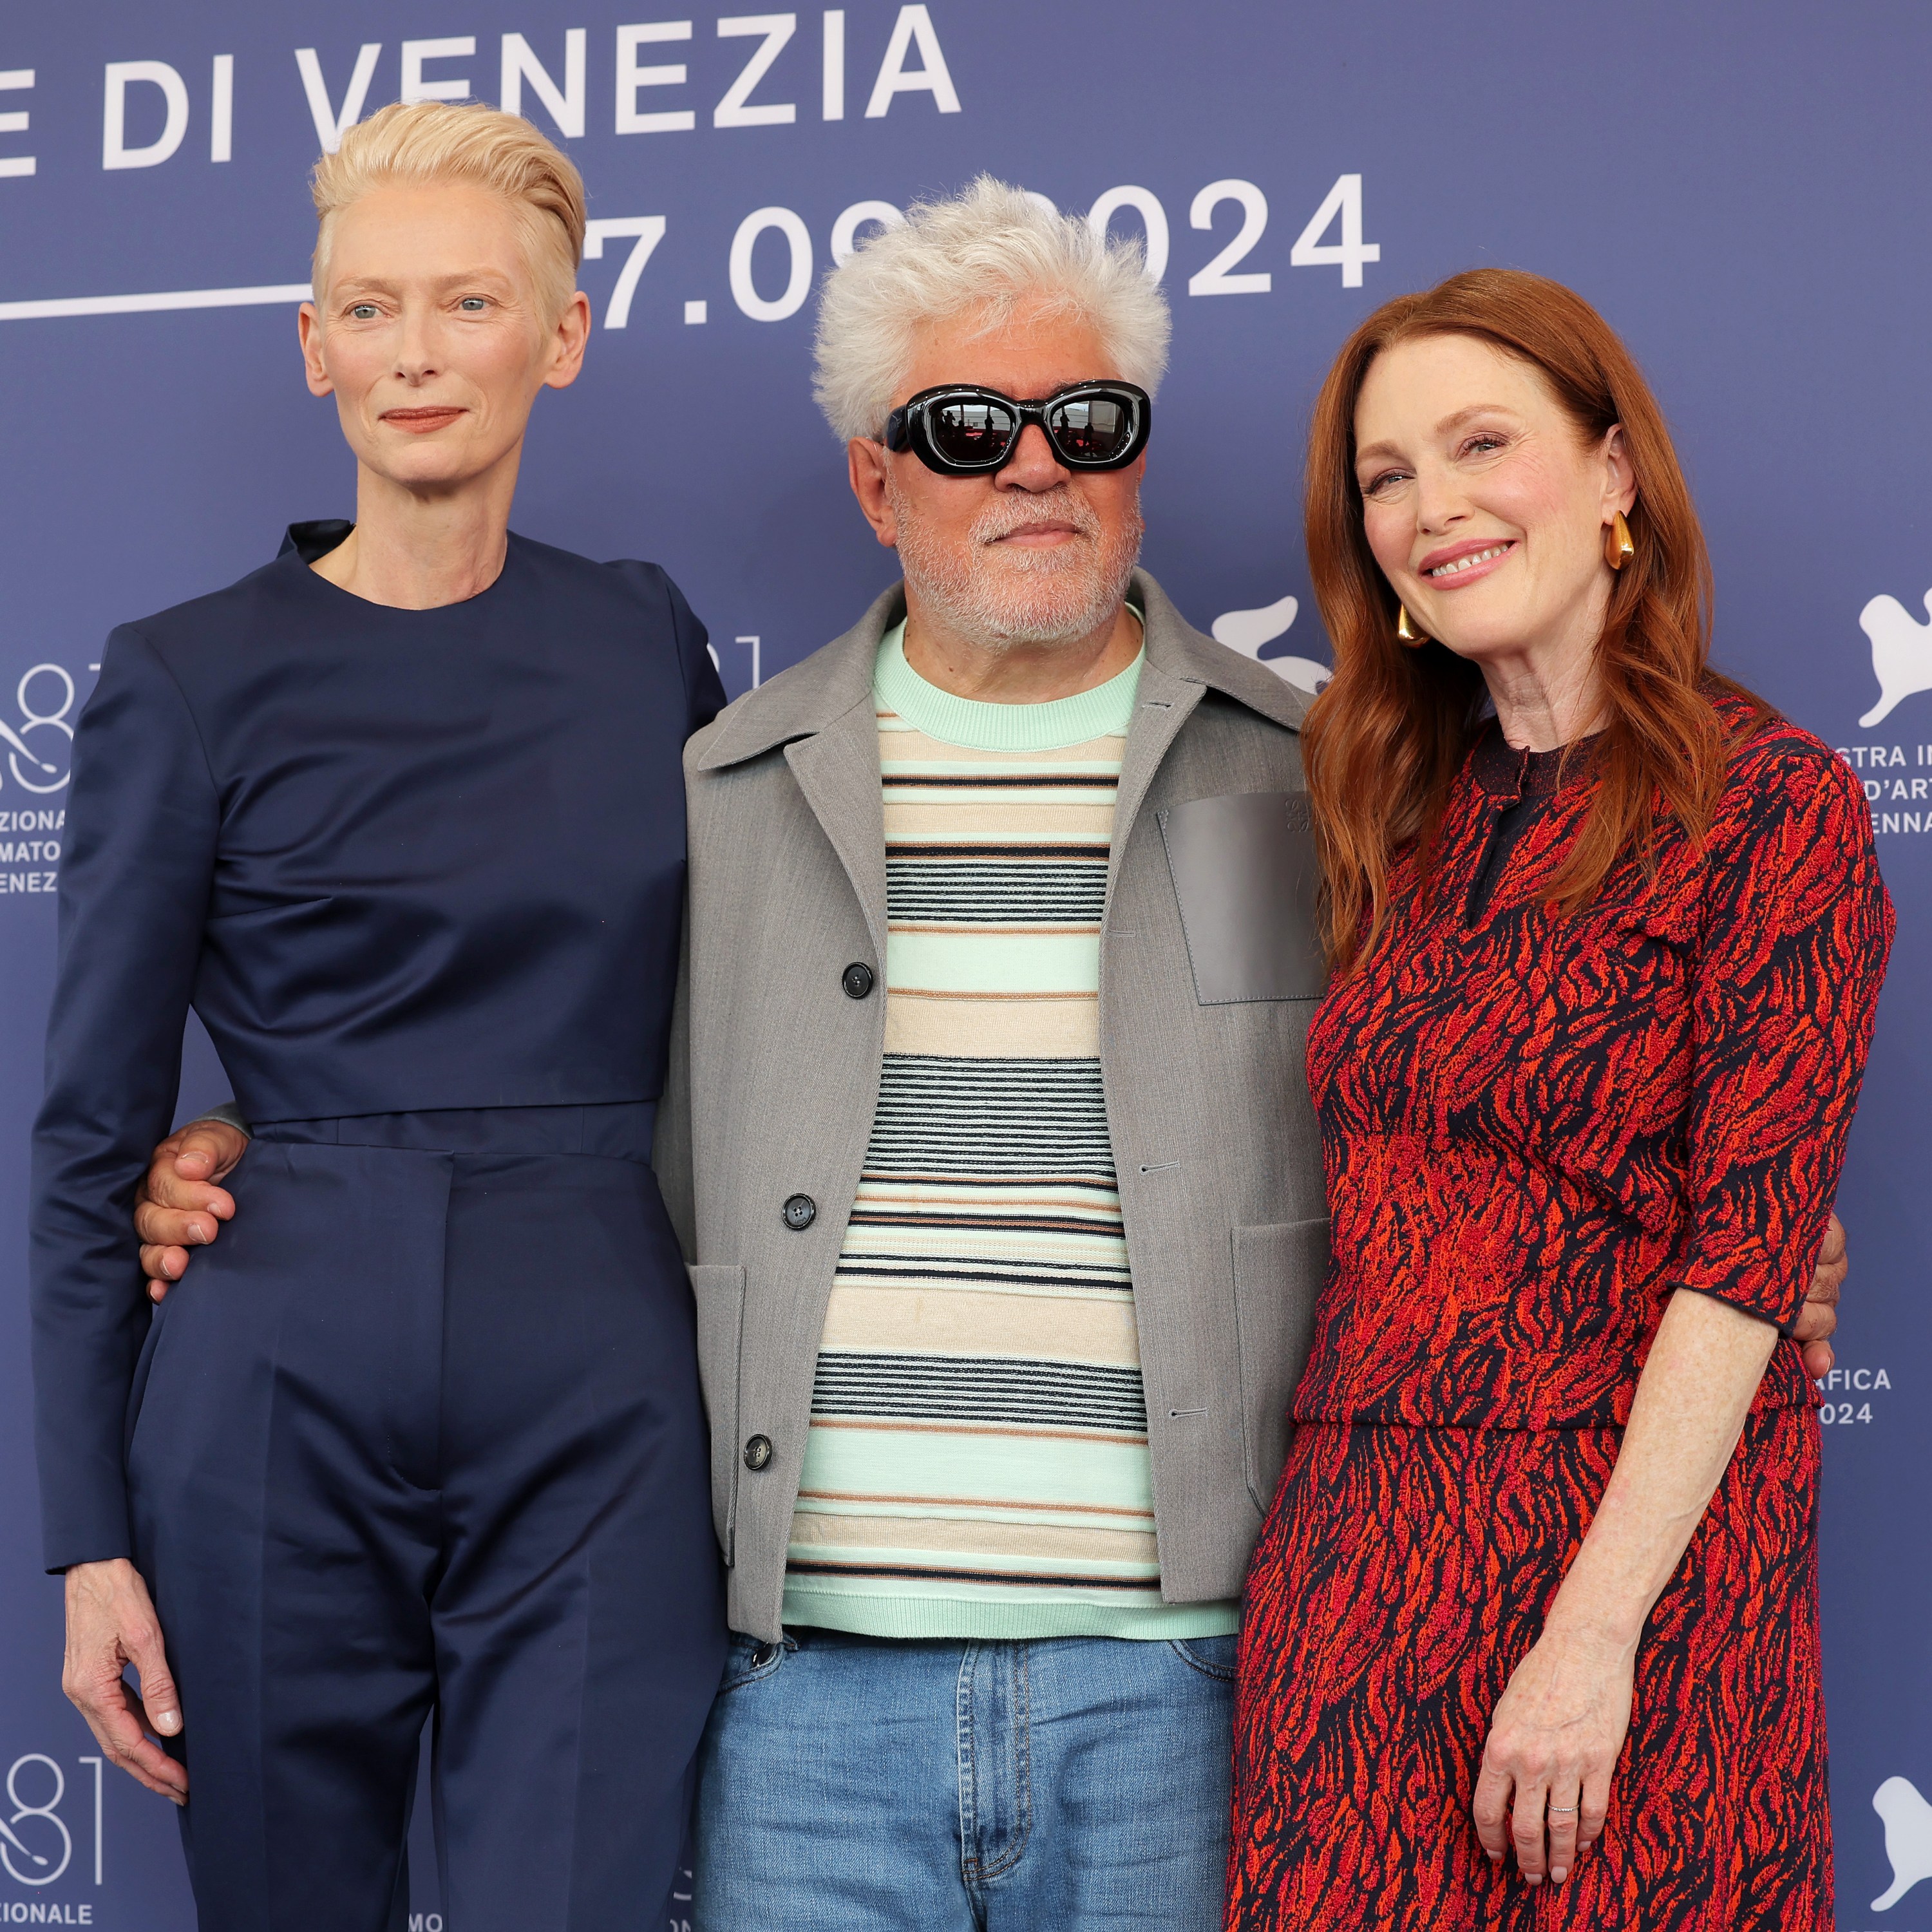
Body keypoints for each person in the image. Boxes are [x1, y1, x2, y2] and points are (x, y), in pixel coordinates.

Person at [132, 202, 1852, 1928]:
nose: (1035, 466)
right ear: (881, 486)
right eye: (969, 430)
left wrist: (1732, 1245)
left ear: (1137, 465)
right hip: (806, 1699)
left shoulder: (1326, 778)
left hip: (1193, 1692)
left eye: (1086, 423)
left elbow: (1517, 1099)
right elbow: (532, 1049)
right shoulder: (717, 785)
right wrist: (264, 1140)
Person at [30, 102, 724, 1930]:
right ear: (314, 343)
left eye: (471, 303)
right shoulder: (184, 679)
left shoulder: (642, 642)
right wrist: (85, 1540)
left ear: (562, 337)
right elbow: (92, 1137)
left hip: (601, 1388)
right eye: (370, 307)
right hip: (271, 1388)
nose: (416, 351)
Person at [1226, 269, 1893, 1930]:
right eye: (1386, 476)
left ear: (1612, 478)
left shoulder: (1774, 808)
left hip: (1639, 1575)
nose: (1432, 506)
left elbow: (1752, 1255)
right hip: (1359, 1561)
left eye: (1479, 444)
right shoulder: (1387, 812)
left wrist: (1591, 1643)